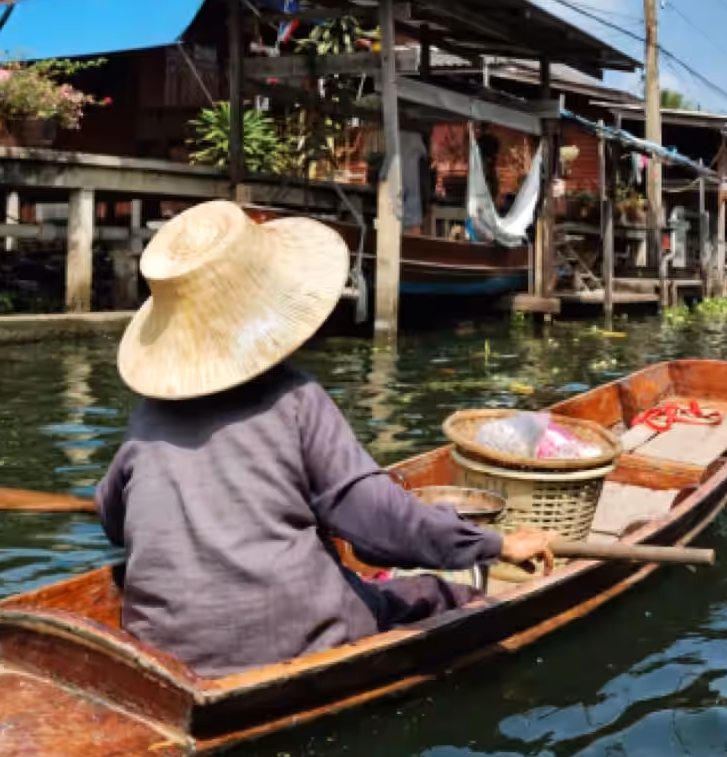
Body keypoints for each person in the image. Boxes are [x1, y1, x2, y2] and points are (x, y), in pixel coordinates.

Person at [97, 200, 560, 678]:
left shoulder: (146, 419)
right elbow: (378, 528)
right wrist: (496, 544)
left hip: (160, 657)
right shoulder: (294, 399)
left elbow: (114, 519)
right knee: (446, 596)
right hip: (294, 638)